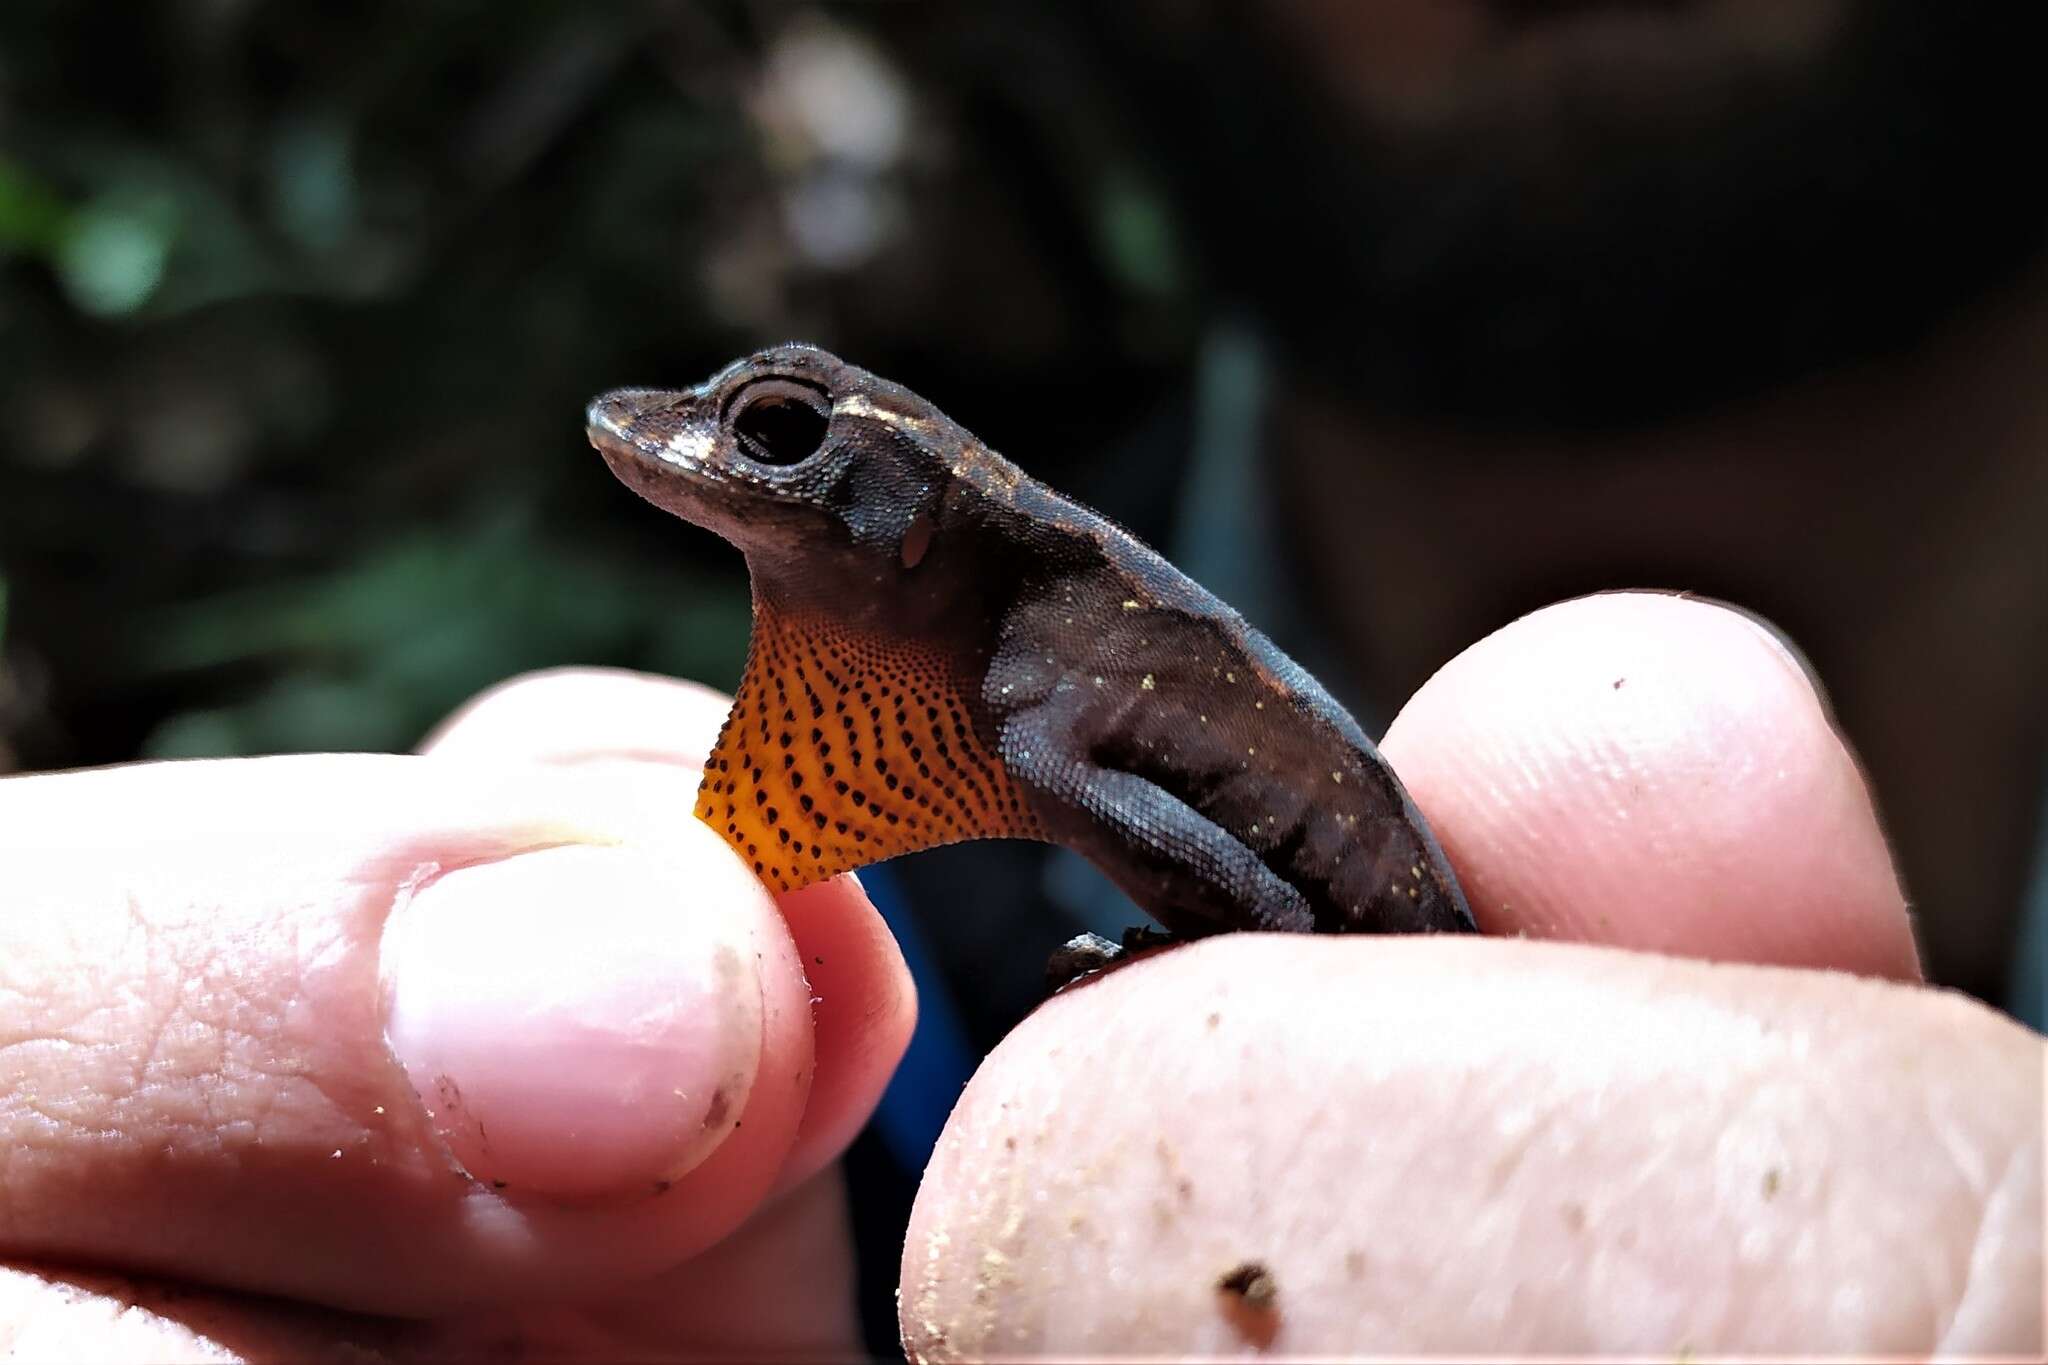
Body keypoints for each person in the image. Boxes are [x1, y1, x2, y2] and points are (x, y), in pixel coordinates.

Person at [2, 592, 2037, 1358]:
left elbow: (1115, 815)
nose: (703, 455)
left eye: (786, 437)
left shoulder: (1053, 673)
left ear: (895, 512)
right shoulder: (958, 898)